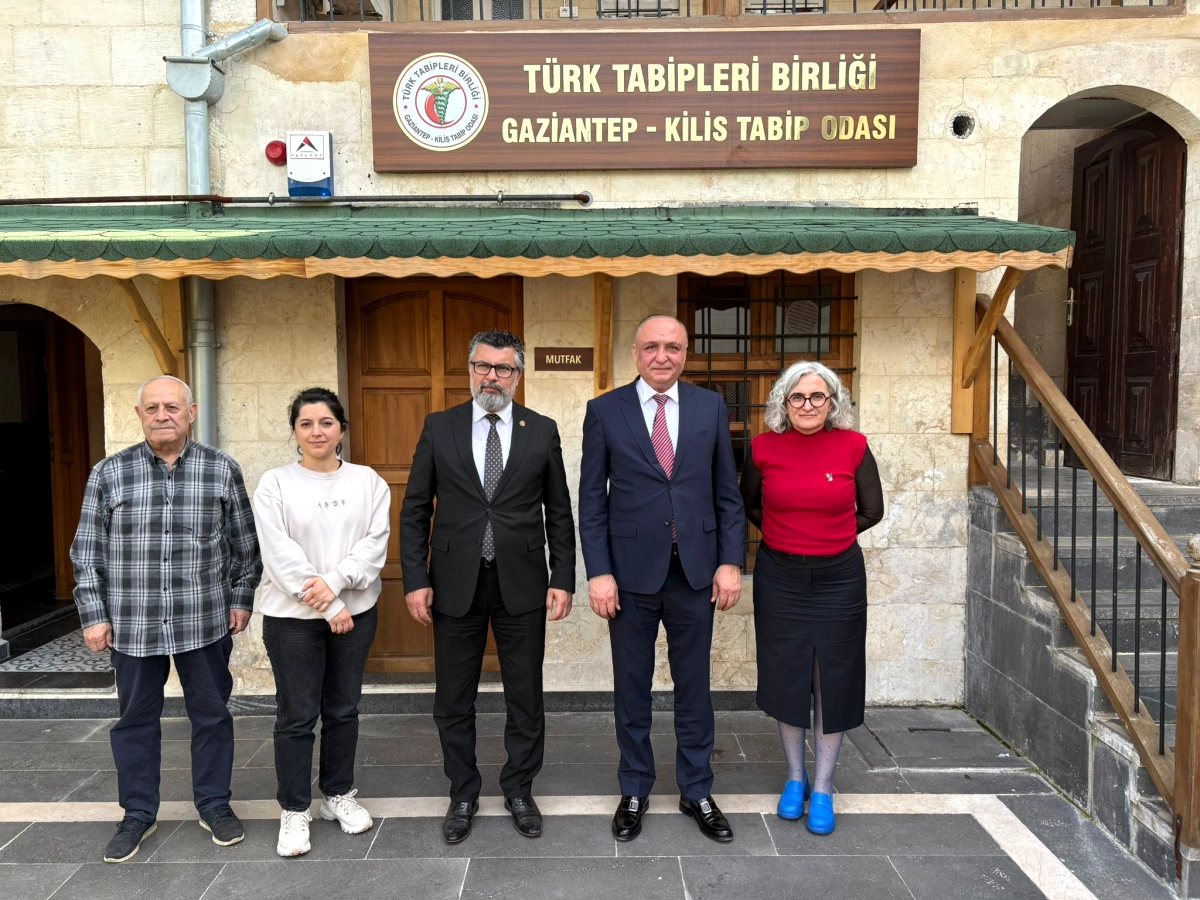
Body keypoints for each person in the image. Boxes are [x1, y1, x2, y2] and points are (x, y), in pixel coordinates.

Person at [71, 375, 262, 863]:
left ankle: (214, 804)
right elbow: (86, 552)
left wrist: (241, 600)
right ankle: (138, 813)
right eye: (152, 407)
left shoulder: (221, 469)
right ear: (139, 415)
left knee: (212, 717)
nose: (162, 415)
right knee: (135, 721)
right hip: (133, 623)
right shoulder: (108, 473)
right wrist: (94, 615)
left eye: (172, 407)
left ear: (190, 413)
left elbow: (245, 546)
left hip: (204, 620)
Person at [400, 329, 576, 844]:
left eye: (503, 368)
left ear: (518, 375)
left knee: (526, 696)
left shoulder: (541, 430)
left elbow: (559, 512)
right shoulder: (440, 427)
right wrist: (415, 579)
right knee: (453, 699)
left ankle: (519, 788)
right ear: (470, 370)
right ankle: (463, 791)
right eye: (483, 366)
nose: (491, 377)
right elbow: (415, 510)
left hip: (523, 583)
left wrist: (563, 577)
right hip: (454, 584)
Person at [578, 314, 745, 844]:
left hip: (695, 573)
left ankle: (697, 789)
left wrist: (730, 561)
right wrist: (599, 572)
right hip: (629, 576)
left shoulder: (709, 406)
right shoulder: (605, 410)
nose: (662, 356)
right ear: (635, 353)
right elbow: (592, 501)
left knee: (694, 688)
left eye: (672, 347)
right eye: (651, 346)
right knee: (632, 688)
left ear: (685, 353)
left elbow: (727, 491)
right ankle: (634, 788)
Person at [739, 360, 884, 835]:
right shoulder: (762, 448)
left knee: (832, 678)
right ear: (784, 402)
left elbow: (873, 510)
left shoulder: (853, 446)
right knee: (787, 675)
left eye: (817, 396)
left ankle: (822, 787)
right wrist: (785, 535)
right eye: (798, 396)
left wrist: (831, 536)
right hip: (780, 578)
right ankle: (795, 778)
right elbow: (750, 503)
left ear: (832, 402)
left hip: (839, 579)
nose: (807, 404)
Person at [252, 388, 390, 857]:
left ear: (341, 429)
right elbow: (279, 554)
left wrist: (335, 584)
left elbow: (374, 546)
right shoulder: (275, 483)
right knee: (296, 715)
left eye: (326, 422)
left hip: (357, 613)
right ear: (294, 431)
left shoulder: (368, 481)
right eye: (306, 423)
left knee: (343, 708)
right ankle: (294, 809)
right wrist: (330, 605)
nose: (317, 431)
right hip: (292, 619)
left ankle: (337, 793)